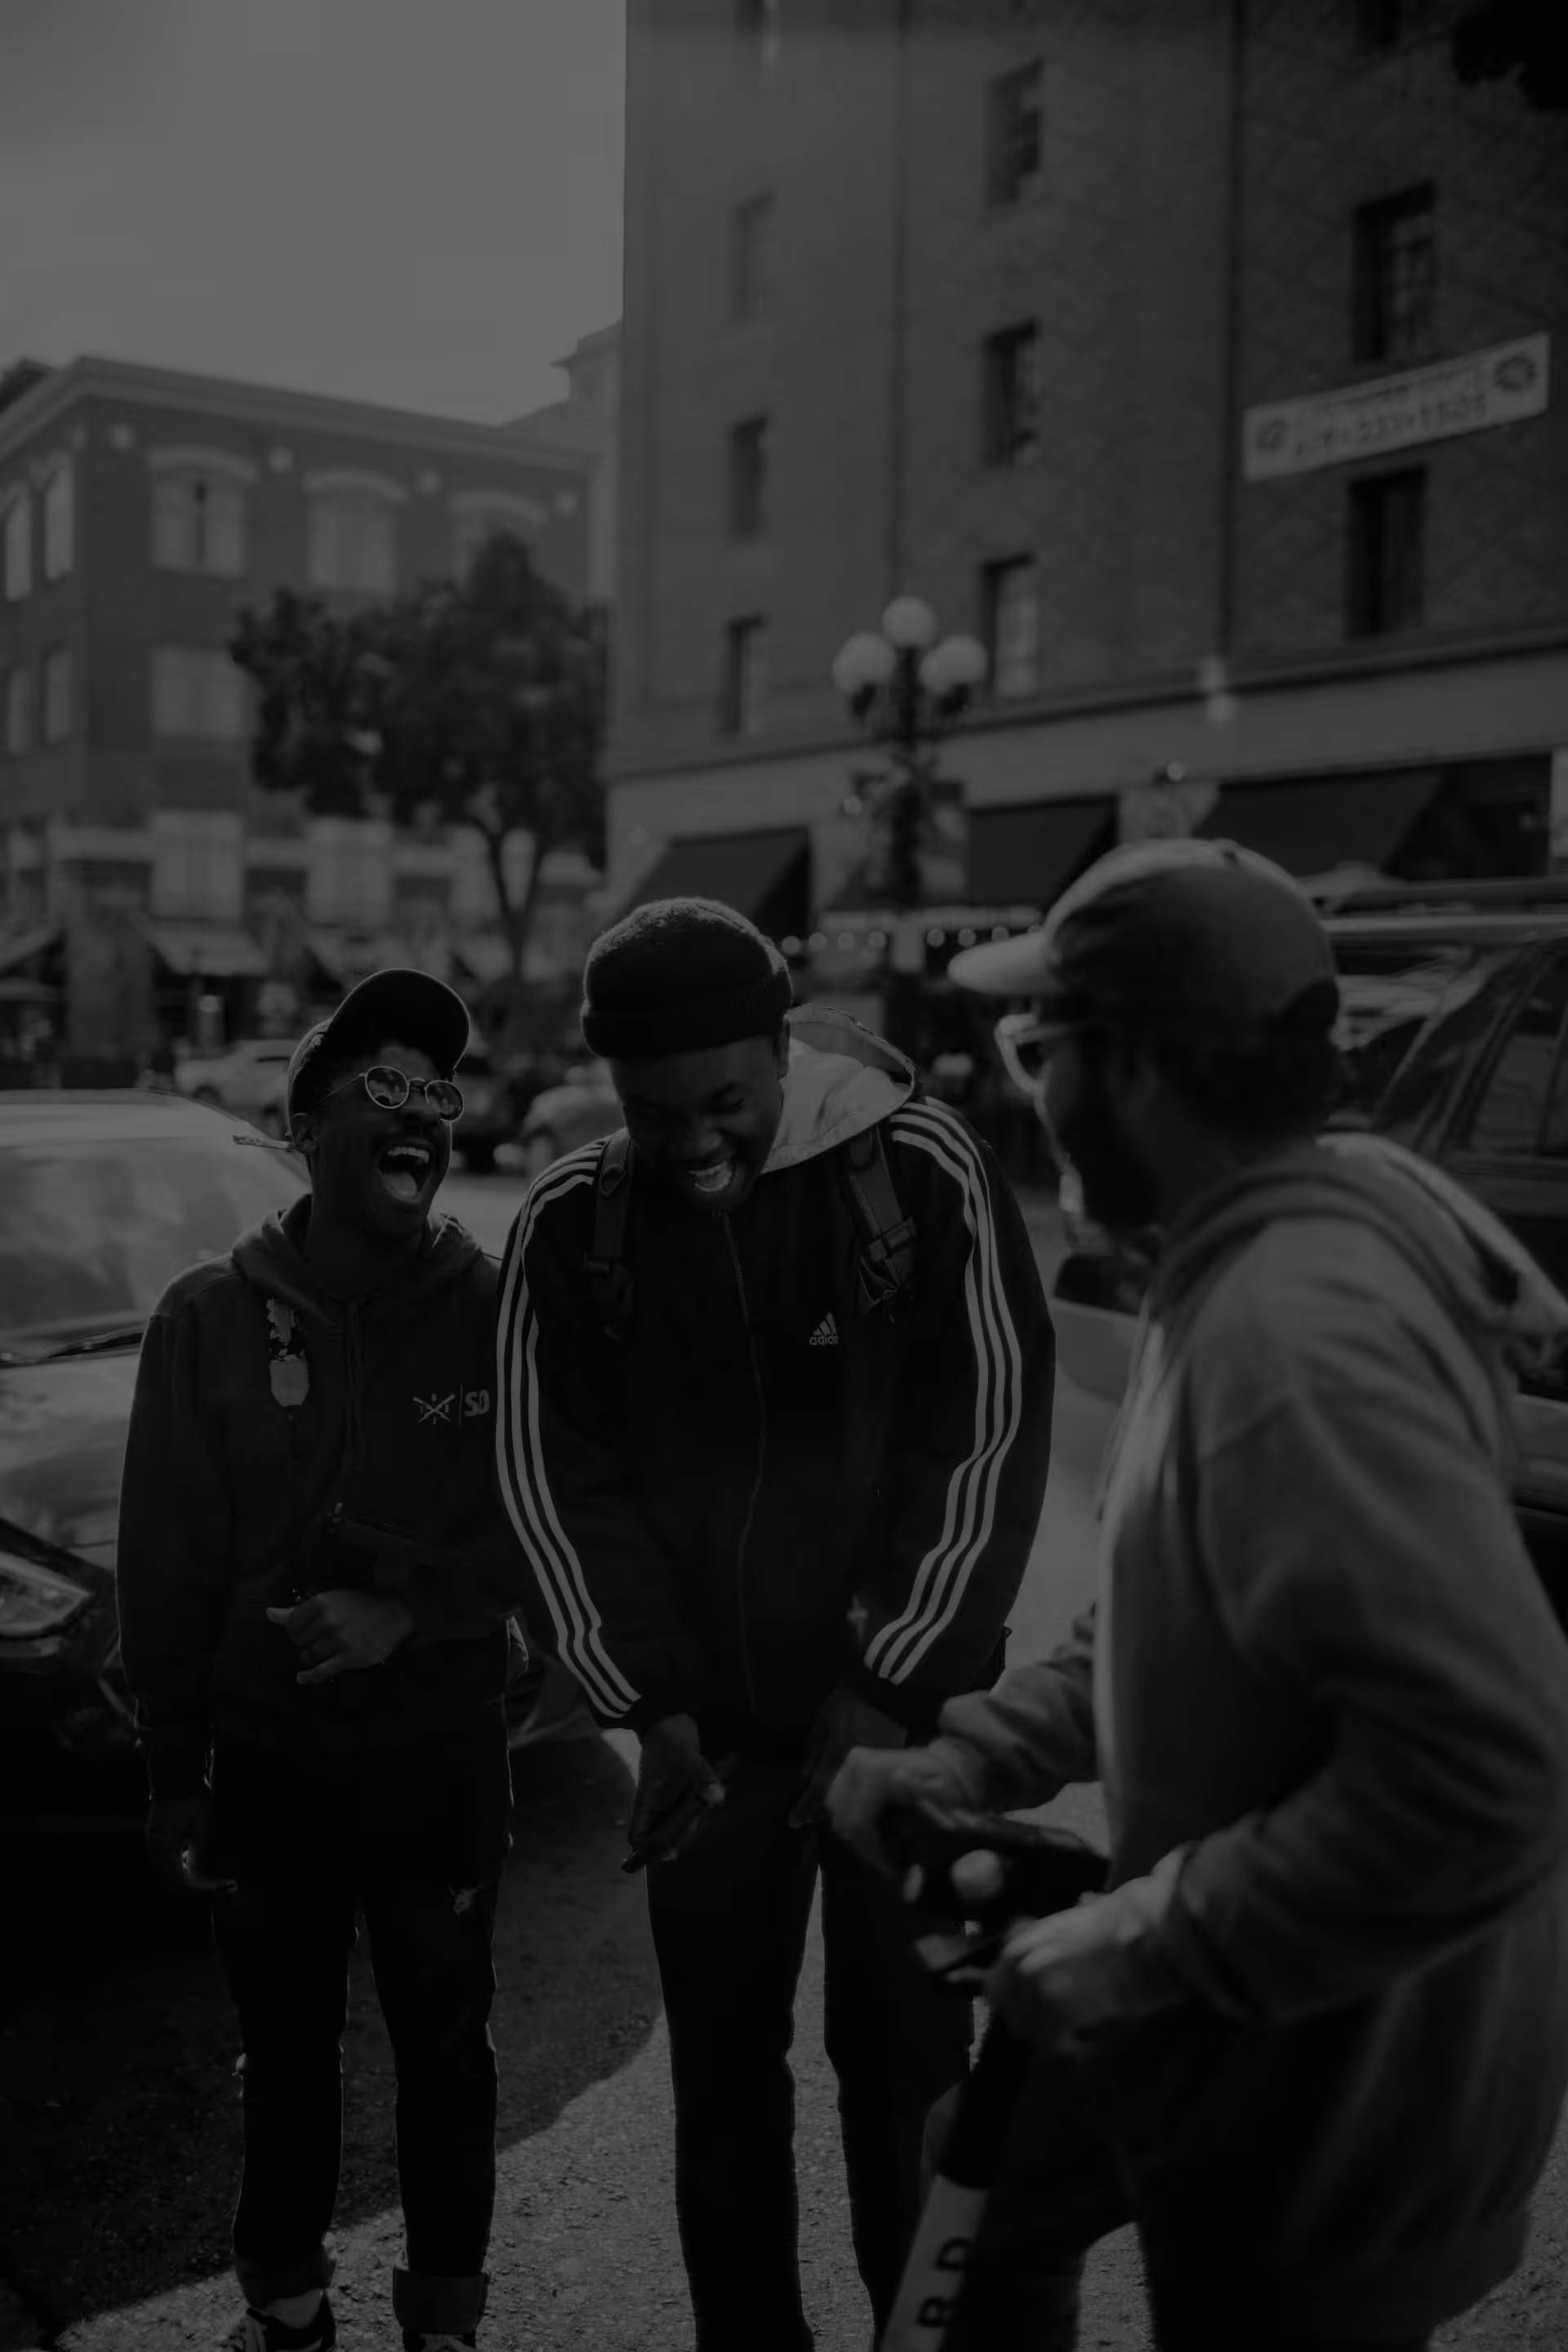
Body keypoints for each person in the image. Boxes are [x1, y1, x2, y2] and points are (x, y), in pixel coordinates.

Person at [829, 837, 1568, 2352]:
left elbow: (1489, 1771)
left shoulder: (1293, 1338)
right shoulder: (1233, 1258)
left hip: (1339, 2065)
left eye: (1043, 1048)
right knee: (991, 2172)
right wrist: (985, 1747)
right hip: (1235, 1998)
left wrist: (1135, 1944)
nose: (1032, 1090)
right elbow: (1188, 1606)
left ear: (1144, 1070)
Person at [494, 897, 1055, 2351]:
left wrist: (888, 1683)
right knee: (725, 2088)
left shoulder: (919, 1171)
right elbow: (558, 1480)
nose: (693, 1142)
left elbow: (984, 1444)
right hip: (714, 1745)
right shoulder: (574, 1224)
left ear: (784, 1049)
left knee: (911, 2075)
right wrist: (651, 1705)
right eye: (650, 1109)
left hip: (901, 1737)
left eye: (725, 1100)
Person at [118, 969, 529, 2352]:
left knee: (445, 2050)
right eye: (386, 1092)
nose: (423, 1119)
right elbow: (164, 1569)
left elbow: (551, 1528)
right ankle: (285, 2300)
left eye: (441, 1094)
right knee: (285, 2054)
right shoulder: (207, 1319)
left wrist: (417, 1616)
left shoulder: (497, 1305)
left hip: (439, 1760)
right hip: (271, 1769)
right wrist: (177, 1774)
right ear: (308, 1128)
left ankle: (448, 2319)